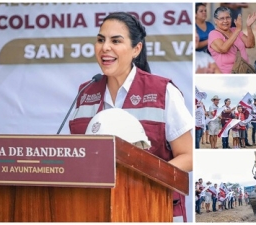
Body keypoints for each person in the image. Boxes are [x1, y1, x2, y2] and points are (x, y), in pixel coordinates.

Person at [68, 12, 193, 222]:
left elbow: (189, 156)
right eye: (101, 40)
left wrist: (147, 177)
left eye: (116, 41)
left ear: (136, 49)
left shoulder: (163, 92)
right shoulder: (85, 93)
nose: (105, 47)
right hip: (96, 209)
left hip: (154, 208)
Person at [208, 6, 256, 73]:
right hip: (226, 74)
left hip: (243, 70)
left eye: (228, 17)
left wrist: (248, 27)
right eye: (222, 18)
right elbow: (223, 49)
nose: (225, 21)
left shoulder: (235, 30)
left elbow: (250, 44)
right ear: (215, 21)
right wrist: (237, 30)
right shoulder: (213, 34)